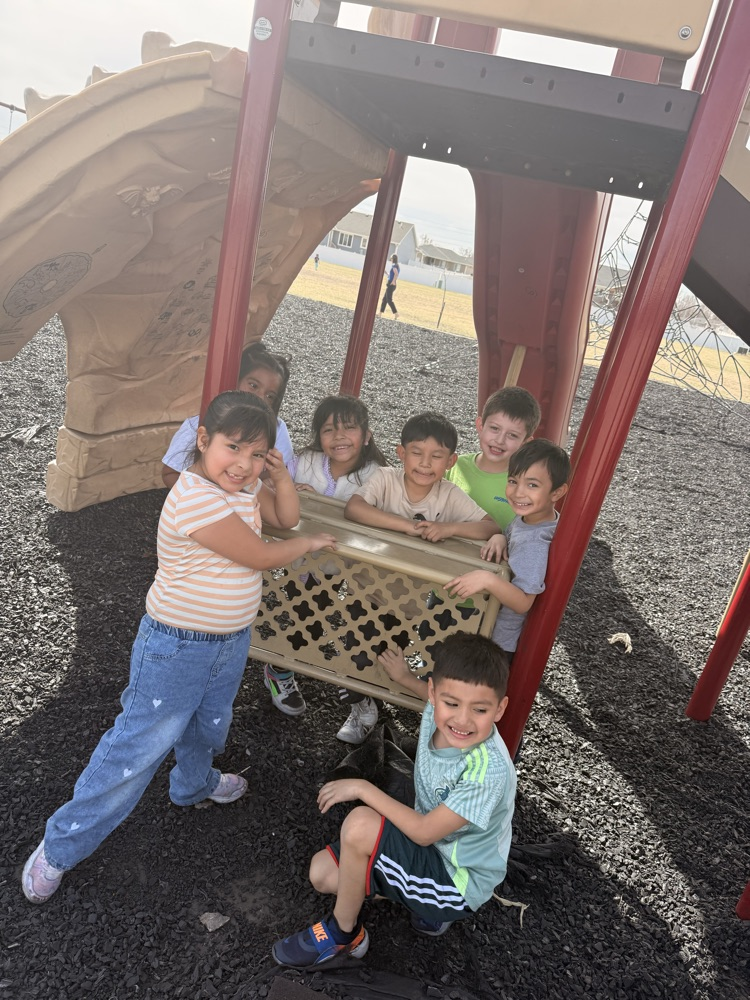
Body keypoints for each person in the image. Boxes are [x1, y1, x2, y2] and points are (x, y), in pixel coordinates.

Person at [22, 392, 336, 905]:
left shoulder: (242, 485)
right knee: (138, 746)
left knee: (209, 725)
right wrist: (307, 545)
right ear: (203, 440)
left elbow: (285, 518)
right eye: (233, 447)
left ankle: (193, 785)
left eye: (257, 453)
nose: (243, 463)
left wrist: (279, 478)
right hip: (177, 646)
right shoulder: (194, 495)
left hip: (229, 641)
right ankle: (60, 846)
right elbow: (262, 552)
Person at [271, 632, 515, 969]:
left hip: (456, 878)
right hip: (433, 845)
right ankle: (414, 899)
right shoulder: (437, 711)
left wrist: (361, 788)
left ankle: (344, 935)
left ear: (500, 708)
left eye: (480, 709)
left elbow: (426, 832)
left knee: (359, 825)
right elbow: (428, 694)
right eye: (451, 703)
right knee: (322, 874)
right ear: (434, 693)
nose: (462, 719)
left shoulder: (486, 773)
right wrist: (402, 676)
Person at [341, 412, 502, 744]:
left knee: (390, 652)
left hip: (409, 601)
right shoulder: (386, 479)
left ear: (451, 461)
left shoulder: (448, 494)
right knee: (355, 648)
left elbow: (490, 527)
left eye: (437, 456)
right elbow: (354, 509)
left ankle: (378, 699)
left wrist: (448, 528)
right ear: (401, 454)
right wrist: (407, 527)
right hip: (364, 587)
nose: (425, 463)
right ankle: (360, 707)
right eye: (417, 452)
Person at [263, 395, 388, 717]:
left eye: (349, 428)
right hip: (299, 560)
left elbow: (374, 516)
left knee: (348, 621)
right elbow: (273, 487)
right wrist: (286, 488)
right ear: (319, 436)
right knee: (301, 613)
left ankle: (349, 675)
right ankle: (281, 671)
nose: (339, 436)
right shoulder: (306, 461)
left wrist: (320, 504)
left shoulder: (376, 474)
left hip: (345, 566)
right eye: (329, 429)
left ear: (367, 435)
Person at [445, 438, 570, 661]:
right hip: (488, 626)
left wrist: (487, 579)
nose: (518, 492)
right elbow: (514, 540)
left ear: (557, 493)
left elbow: (523, 602)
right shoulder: (531, 518)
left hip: (497, 643)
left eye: (532, 485)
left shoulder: (534, 542)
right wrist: (500, 537)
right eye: (513, 481)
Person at [161, 342, 294, 489]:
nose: (260, 398)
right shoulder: (197, 424)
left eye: (270, 396)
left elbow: (279, 472)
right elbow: (170, 473)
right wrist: (202, 498)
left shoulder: (277, 429)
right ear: (235, 380)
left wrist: (244, 484)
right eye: (253, 385)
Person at [446, 386, 541, 530]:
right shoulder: (453, 466)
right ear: (480, 425)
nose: (500, 440)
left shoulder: (525, 487)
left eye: (512, 435)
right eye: (495, 429)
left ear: (525, 443)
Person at [379, 254, 400, 319]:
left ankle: (396, 313)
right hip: (391, 285)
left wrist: (393, 281)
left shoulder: (394, 266)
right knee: (384, 299)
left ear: (393, 259)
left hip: (391, 285)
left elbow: (396, 274)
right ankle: (380, 313)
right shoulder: (396, 266)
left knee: (389, 300)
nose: (390, 259)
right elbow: (391, 275)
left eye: (391, 258)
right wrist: (386, 273)